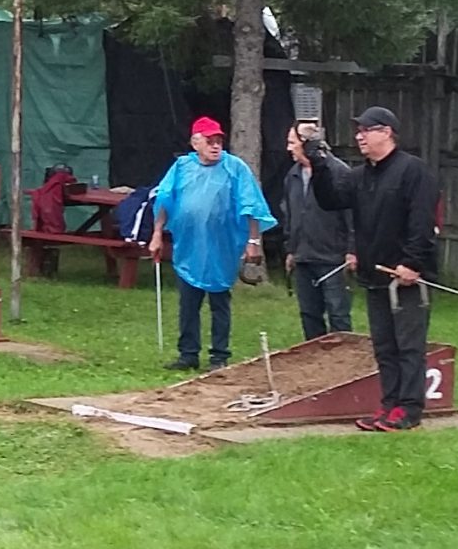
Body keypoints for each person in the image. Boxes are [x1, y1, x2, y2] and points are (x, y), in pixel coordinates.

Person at [303, 107, 439, 432]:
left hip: (406, 279)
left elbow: (423, 222)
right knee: (384, 347)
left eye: (366, 130)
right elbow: (331, 199)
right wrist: (318, 163)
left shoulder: (413, 171)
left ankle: (409, 409)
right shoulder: (360, 176)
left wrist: (412, 263)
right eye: (358, 131)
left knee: (409, 346)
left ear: (387, 132)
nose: (359, 136)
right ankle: (389, 404)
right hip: (375, 275)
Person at [148, 117, 277, 371]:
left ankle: (219, 356)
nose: (215, 146)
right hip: (189, 244)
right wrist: (156, 233)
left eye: (219, 141)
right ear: (196, 142)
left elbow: (250, 204)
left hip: (222, 245)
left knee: (219, 301)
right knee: (188, 302)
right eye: (209, 141)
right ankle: (188, 354)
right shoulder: (182, 167)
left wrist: (253, 241)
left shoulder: (235, 167)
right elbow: (164, 198)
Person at [282, 123, 356, 340]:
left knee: (338, 314)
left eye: (292, 143)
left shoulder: (339, 172)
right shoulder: (292, 176)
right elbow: (290, 213)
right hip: (303, 256)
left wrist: (352, 250)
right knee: (309, 314)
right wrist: (291, 249)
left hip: (333, 257)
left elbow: (353, 216)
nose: (289, 148)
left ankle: (343, 362)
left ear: (307, 144)